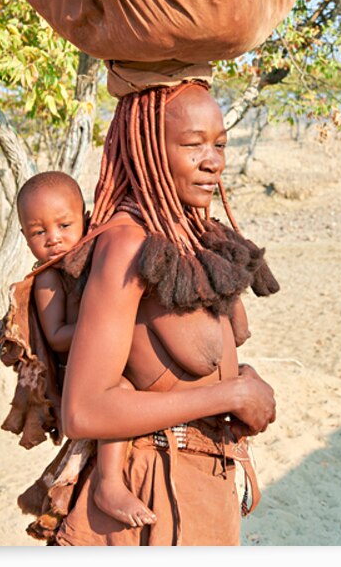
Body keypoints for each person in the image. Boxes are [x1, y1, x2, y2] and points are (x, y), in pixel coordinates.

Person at [41, 80, 277, 546]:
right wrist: (229, 395)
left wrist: (238, 383)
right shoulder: (127, 245)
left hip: (203, 494)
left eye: (220, 144)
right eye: (193, 145)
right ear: (146, 149)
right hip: (151, 499)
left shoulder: (192, 240)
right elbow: (84, 411)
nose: (214, 161)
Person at [16, 171, 157, 528]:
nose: (53, 239)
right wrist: (106, 324)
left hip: (105, 355)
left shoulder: (97, 255)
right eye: (38, 232)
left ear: (87, 218)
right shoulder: (49, 276)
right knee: (118, 393)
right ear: (24, 236)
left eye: (64, 225)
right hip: (80, 374)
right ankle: (109, 484)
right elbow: (56, 334)